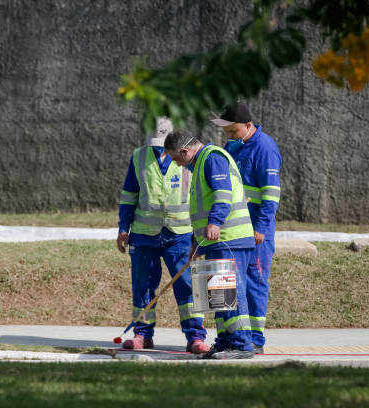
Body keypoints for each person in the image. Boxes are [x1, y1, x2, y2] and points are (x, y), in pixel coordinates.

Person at [117, 117, 209, 354]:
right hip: (145, 234)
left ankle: (195, 336)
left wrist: (199, 233)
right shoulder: (139, 156)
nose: (159, 148)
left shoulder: (190, 159)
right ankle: (142, 334)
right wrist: (123, 228)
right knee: (143, 286)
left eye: (163, 144)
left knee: (187, 287)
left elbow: (201, 195)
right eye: (155, 144)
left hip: (180, 233)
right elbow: (129, 195)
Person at [164, 130, 255, 359]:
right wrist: (196, 242)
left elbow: (222, 195)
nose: (177, 164)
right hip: (214, 241)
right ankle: (225, 342)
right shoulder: (199, 165)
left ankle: (241, 345)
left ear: (185, 151)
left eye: (176, 159)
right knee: (219, 295)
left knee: (230, 291)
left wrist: (215, 222)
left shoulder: (212, 158)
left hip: (229, 237)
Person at [211, 102, 282, 354]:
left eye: (233, 131)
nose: (228, 137)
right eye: (226, 132)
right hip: (234, 230)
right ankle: (229, 337)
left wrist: (261, 227)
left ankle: (255, 340)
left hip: (255, 232)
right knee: (227, 282)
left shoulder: (264, 148)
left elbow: (271, 193)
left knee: (254, 283)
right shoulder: (233, 146)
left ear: (249, 126)